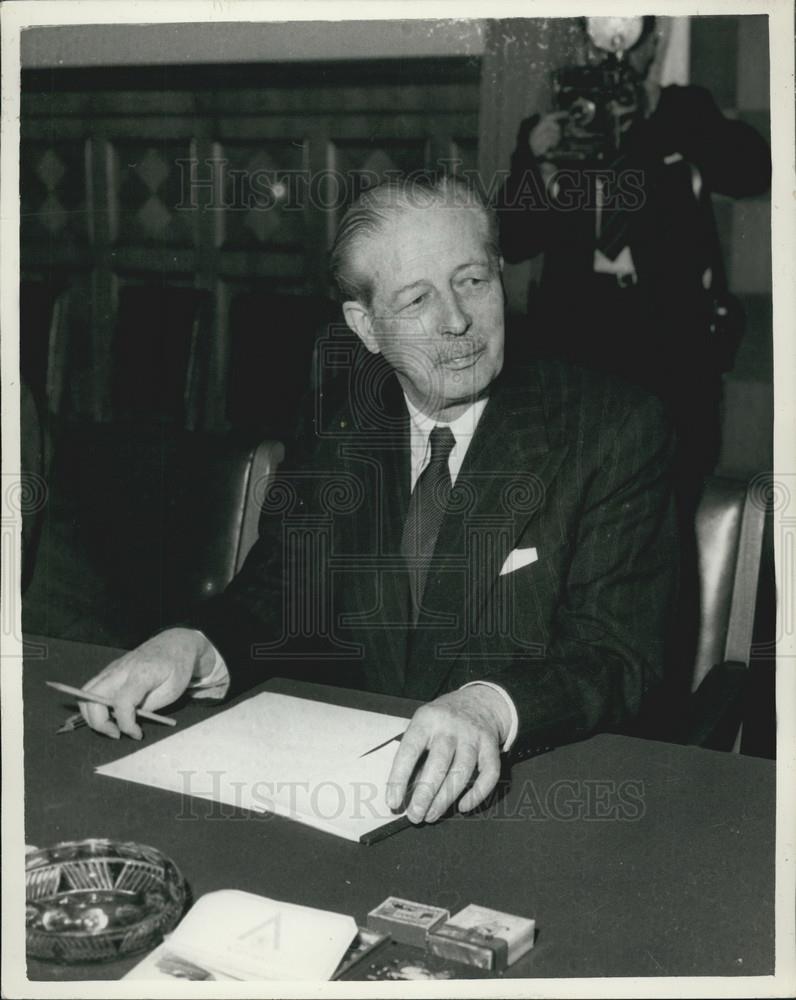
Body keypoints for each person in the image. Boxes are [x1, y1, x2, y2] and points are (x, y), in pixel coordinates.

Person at [78, 176, 678, 826]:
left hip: (539, 799)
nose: (457, 320)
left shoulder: (611, 428)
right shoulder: (343, 429)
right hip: (362, 792)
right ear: (366, 327)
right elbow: (281, 592)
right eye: (419, 298)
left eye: (473, 280)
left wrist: (487, 706)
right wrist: (196, 641)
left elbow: (614, 653)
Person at [497, 17, 771, 499]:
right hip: (580, 327)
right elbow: (514, 240)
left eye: (629, 41)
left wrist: (661, 108)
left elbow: (754, 172)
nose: (615, 57)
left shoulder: (683, 110)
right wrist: (536, 162)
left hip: (667, 327)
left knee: (674, 478)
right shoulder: (556, 123)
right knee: (583, 481)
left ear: (653, 47)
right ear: (584, 47)